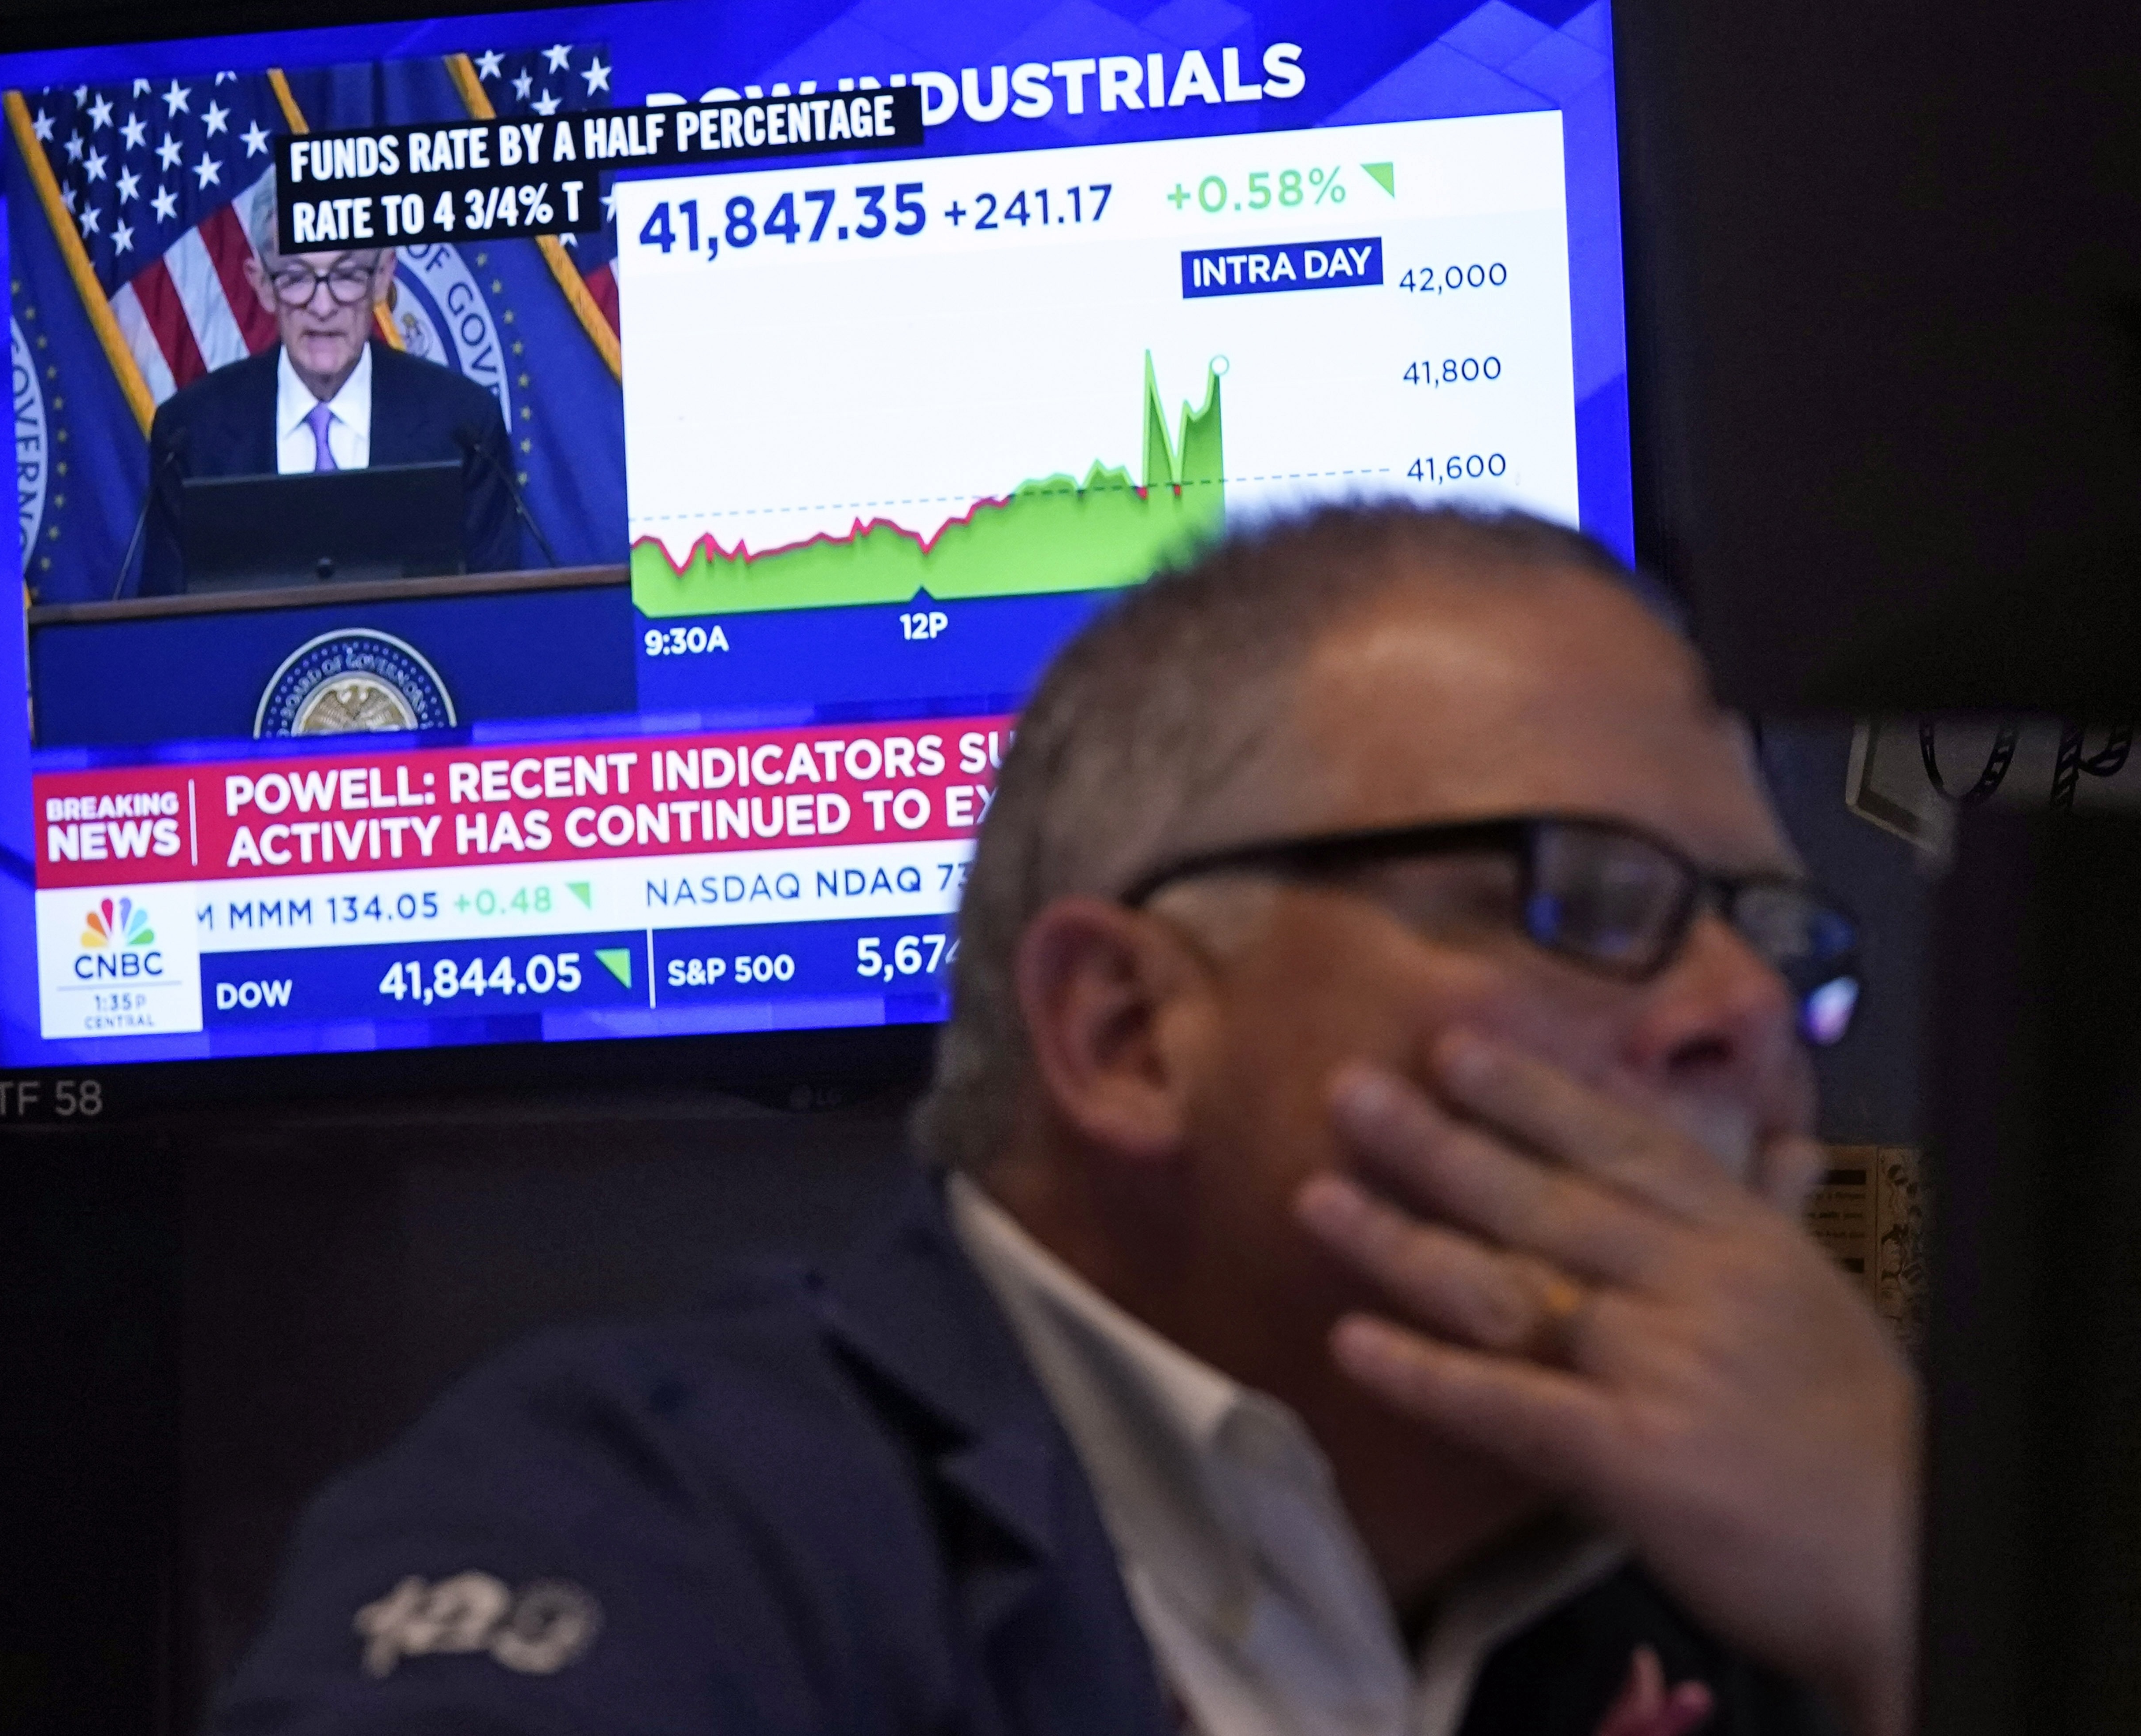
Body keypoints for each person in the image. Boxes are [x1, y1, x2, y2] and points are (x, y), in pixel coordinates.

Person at [211, 505, 1918, 1736]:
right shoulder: (636, 1523)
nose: (1740, 1016)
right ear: (1128, 1030)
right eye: (1587, 895)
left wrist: (1936, 1610)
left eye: (1776, 936)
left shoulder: (1795, 1554)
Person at [134, 190, 521, 594]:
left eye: (347, 276)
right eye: (298, 278)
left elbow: (492, 619)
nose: (323, 307)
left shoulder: (463, 427)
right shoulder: (193, 434)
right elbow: (168, 631)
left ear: (383, 276)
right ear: (263, 284)